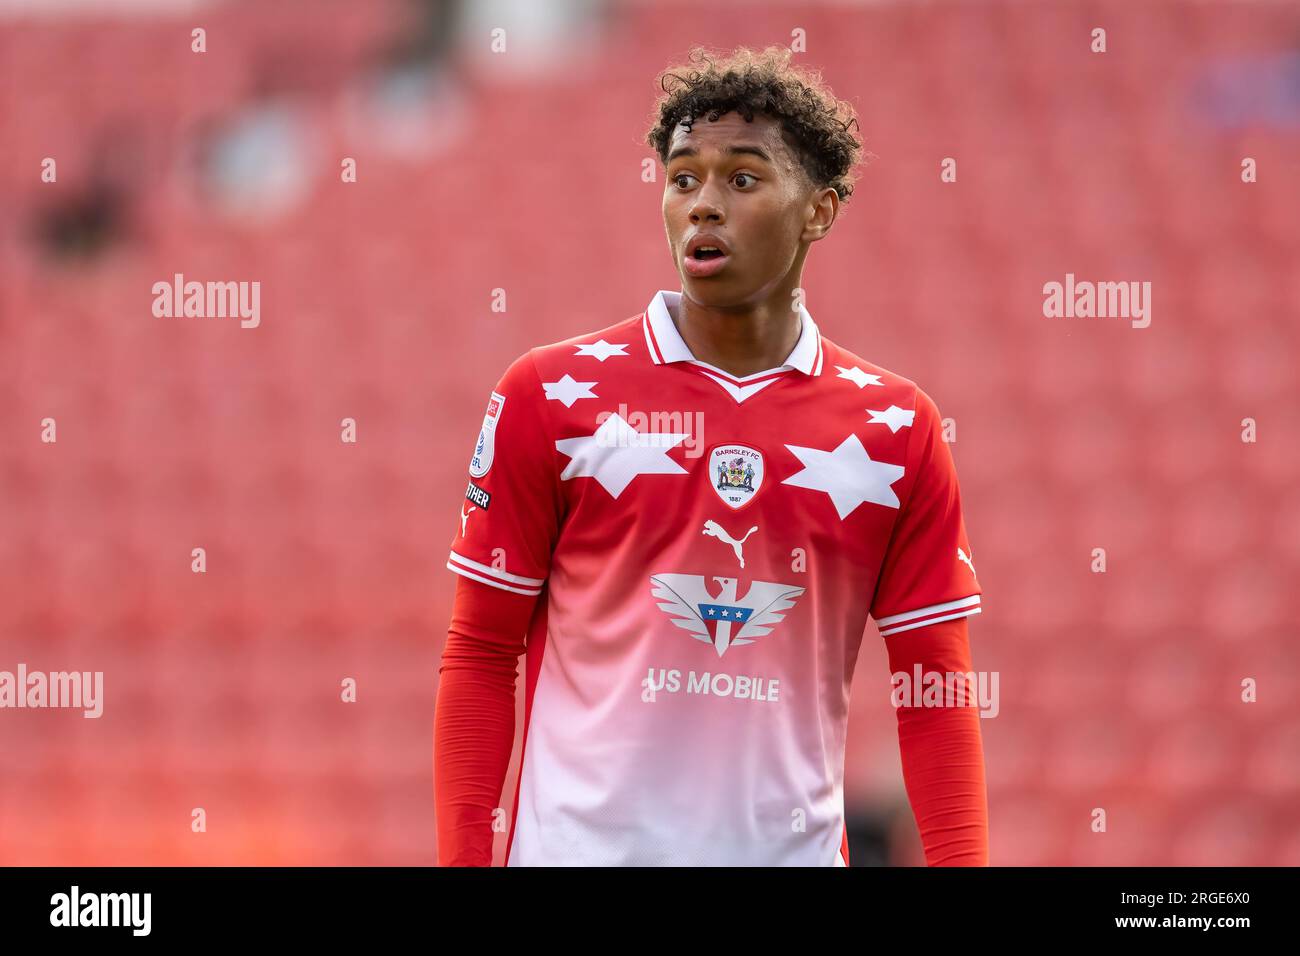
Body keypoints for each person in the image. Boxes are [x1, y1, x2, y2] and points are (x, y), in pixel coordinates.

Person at [435, 45, 988, 866]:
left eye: (742, 178)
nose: (702, 205)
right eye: (683, 177)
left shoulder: (895, 428)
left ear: (820, 210)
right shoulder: (550, 395)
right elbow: (481, 654)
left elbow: (935, 694)